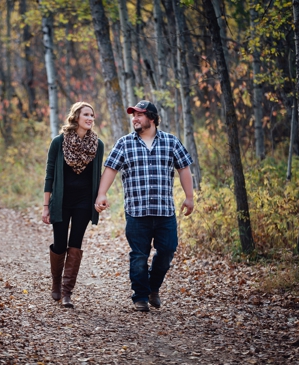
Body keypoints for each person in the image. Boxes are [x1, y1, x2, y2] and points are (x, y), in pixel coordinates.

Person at [94, 100, 195, 312]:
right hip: (137, 212)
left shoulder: (170, 142)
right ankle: (140, 296)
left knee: (167, 250)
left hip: (164, 211)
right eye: (133, 115)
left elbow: (184, 168)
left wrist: (189, 196)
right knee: (139, 255)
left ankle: (153, 288)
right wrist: (102, 193)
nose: (135, 119)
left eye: (139, 115)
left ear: (152, 117)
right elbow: (111, 169)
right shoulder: (124, 143)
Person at [43, 102, 106, 308]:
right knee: (60, 244)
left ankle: (67, 292)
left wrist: (99, 198)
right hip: (61, 201)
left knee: (75, 243)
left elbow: (99, 177)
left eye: (92, 115)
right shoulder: (59, 142)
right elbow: (50, 175)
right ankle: (55, 283)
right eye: (86, 114)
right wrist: (46, 206)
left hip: (83, 202)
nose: (90, 118)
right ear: (76, 117)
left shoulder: (98, 145)